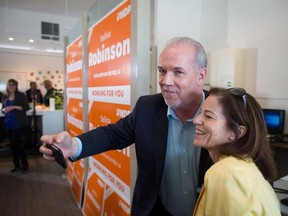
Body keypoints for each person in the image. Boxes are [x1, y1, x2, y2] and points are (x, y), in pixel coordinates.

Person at [39, 37, 212, 216]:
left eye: (178, 72)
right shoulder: (148, 108)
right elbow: (112, 135)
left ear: (201, 76)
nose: (166, 81)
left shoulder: (225, 113)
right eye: (162, 71)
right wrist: (73, 145)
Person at [192, 87, 281, 216]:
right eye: (200, 113)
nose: (196, 120)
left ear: (237, 132)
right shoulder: (245, 166)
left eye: (208, 116)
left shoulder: (225, 173)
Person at [1, 79, 30, 172]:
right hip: (8, 124)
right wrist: (4, 110)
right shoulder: (5, 96)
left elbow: (26, 107)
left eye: (13, 85)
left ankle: (24, 164)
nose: (11, 86)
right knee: (12, 146)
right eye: (9, 85)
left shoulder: (21, 95)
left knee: (18, 146)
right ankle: (16, 164)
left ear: (16, 86)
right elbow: (3, 109)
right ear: (7, 86)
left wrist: (13, 107)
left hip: (19, 124)